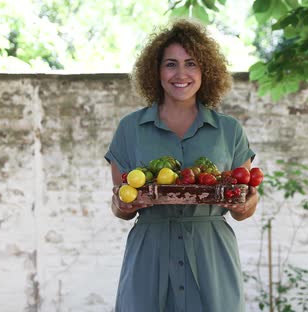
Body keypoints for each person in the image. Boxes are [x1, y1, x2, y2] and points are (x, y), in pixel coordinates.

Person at [104, 18, 258, 312]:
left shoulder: (230, 130)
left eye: (191, 63)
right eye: (170, 64)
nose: (181, 73)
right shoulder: (130, 128)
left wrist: (245, 204)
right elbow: (119, 202)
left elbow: (246, 205)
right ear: (156, 71)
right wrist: (122, 206)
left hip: (211, 254)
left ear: (206, 71)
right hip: (149, 253)